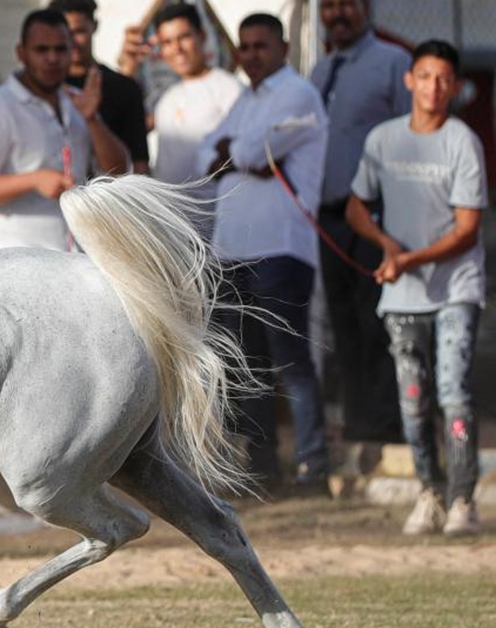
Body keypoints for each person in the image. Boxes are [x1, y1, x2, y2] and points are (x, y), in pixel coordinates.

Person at [346, 40, 486, 536]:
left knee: (454, 392)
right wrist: (385, 244)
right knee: (413, 397)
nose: (433, 87)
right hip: (402, 299)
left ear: (455, 85)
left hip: (454, 291)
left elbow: (467, 228)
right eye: (424, 76)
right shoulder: (383, 139)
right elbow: (355, 206)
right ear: (410, 80)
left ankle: (463, 498)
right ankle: (429, 491)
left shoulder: (461, 141)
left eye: (443, 78)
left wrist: (408, 259)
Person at [196, 13, 330, 491]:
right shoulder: (243, 99)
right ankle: (263, 468)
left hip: (281, 249)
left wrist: (236, 154)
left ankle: (314, 467)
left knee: (290, 361)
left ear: (284, 48)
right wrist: (238, 154)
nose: (251, 54)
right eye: (245, 47)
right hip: (232, 251)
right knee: (245, 366)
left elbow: (253, 153)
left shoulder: (299, 94)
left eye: (261, 46)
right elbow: (204, 157)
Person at [310, 0, 409, 454]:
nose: (338, 13)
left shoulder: (394, 63)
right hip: (328, 218)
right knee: (343, 323)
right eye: (329, 6)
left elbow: (413, 137)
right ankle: (359, 424)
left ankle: (388, 426)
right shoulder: (320, 69)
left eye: (347, 4)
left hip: (376, 215)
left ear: (366, 8)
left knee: (377, 322)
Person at [0, 8, 126, 252]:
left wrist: (92, 120)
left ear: (72, 52)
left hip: (73, 258)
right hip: (14, 262)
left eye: (60, 49)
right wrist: (33, 180)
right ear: (21, 53)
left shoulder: (77, 102)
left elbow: (119, 171)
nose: (52, 58)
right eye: (41, 50)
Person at [126, 3, 241, 195]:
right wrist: (127, 70)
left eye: (184, 37)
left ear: (202, 36)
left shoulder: (229, 89)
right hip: (169, 216)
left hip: (217, 217)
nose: (177, 48)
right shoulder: (166, 99)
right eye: (167, 42)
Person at [47, 0, 145, 174]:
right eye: (65, 33)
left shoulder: (124, 88)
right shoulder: (42, 91)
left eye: (79, 31)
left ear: (95, 26)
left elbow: (139, 165)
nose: (72, 41)